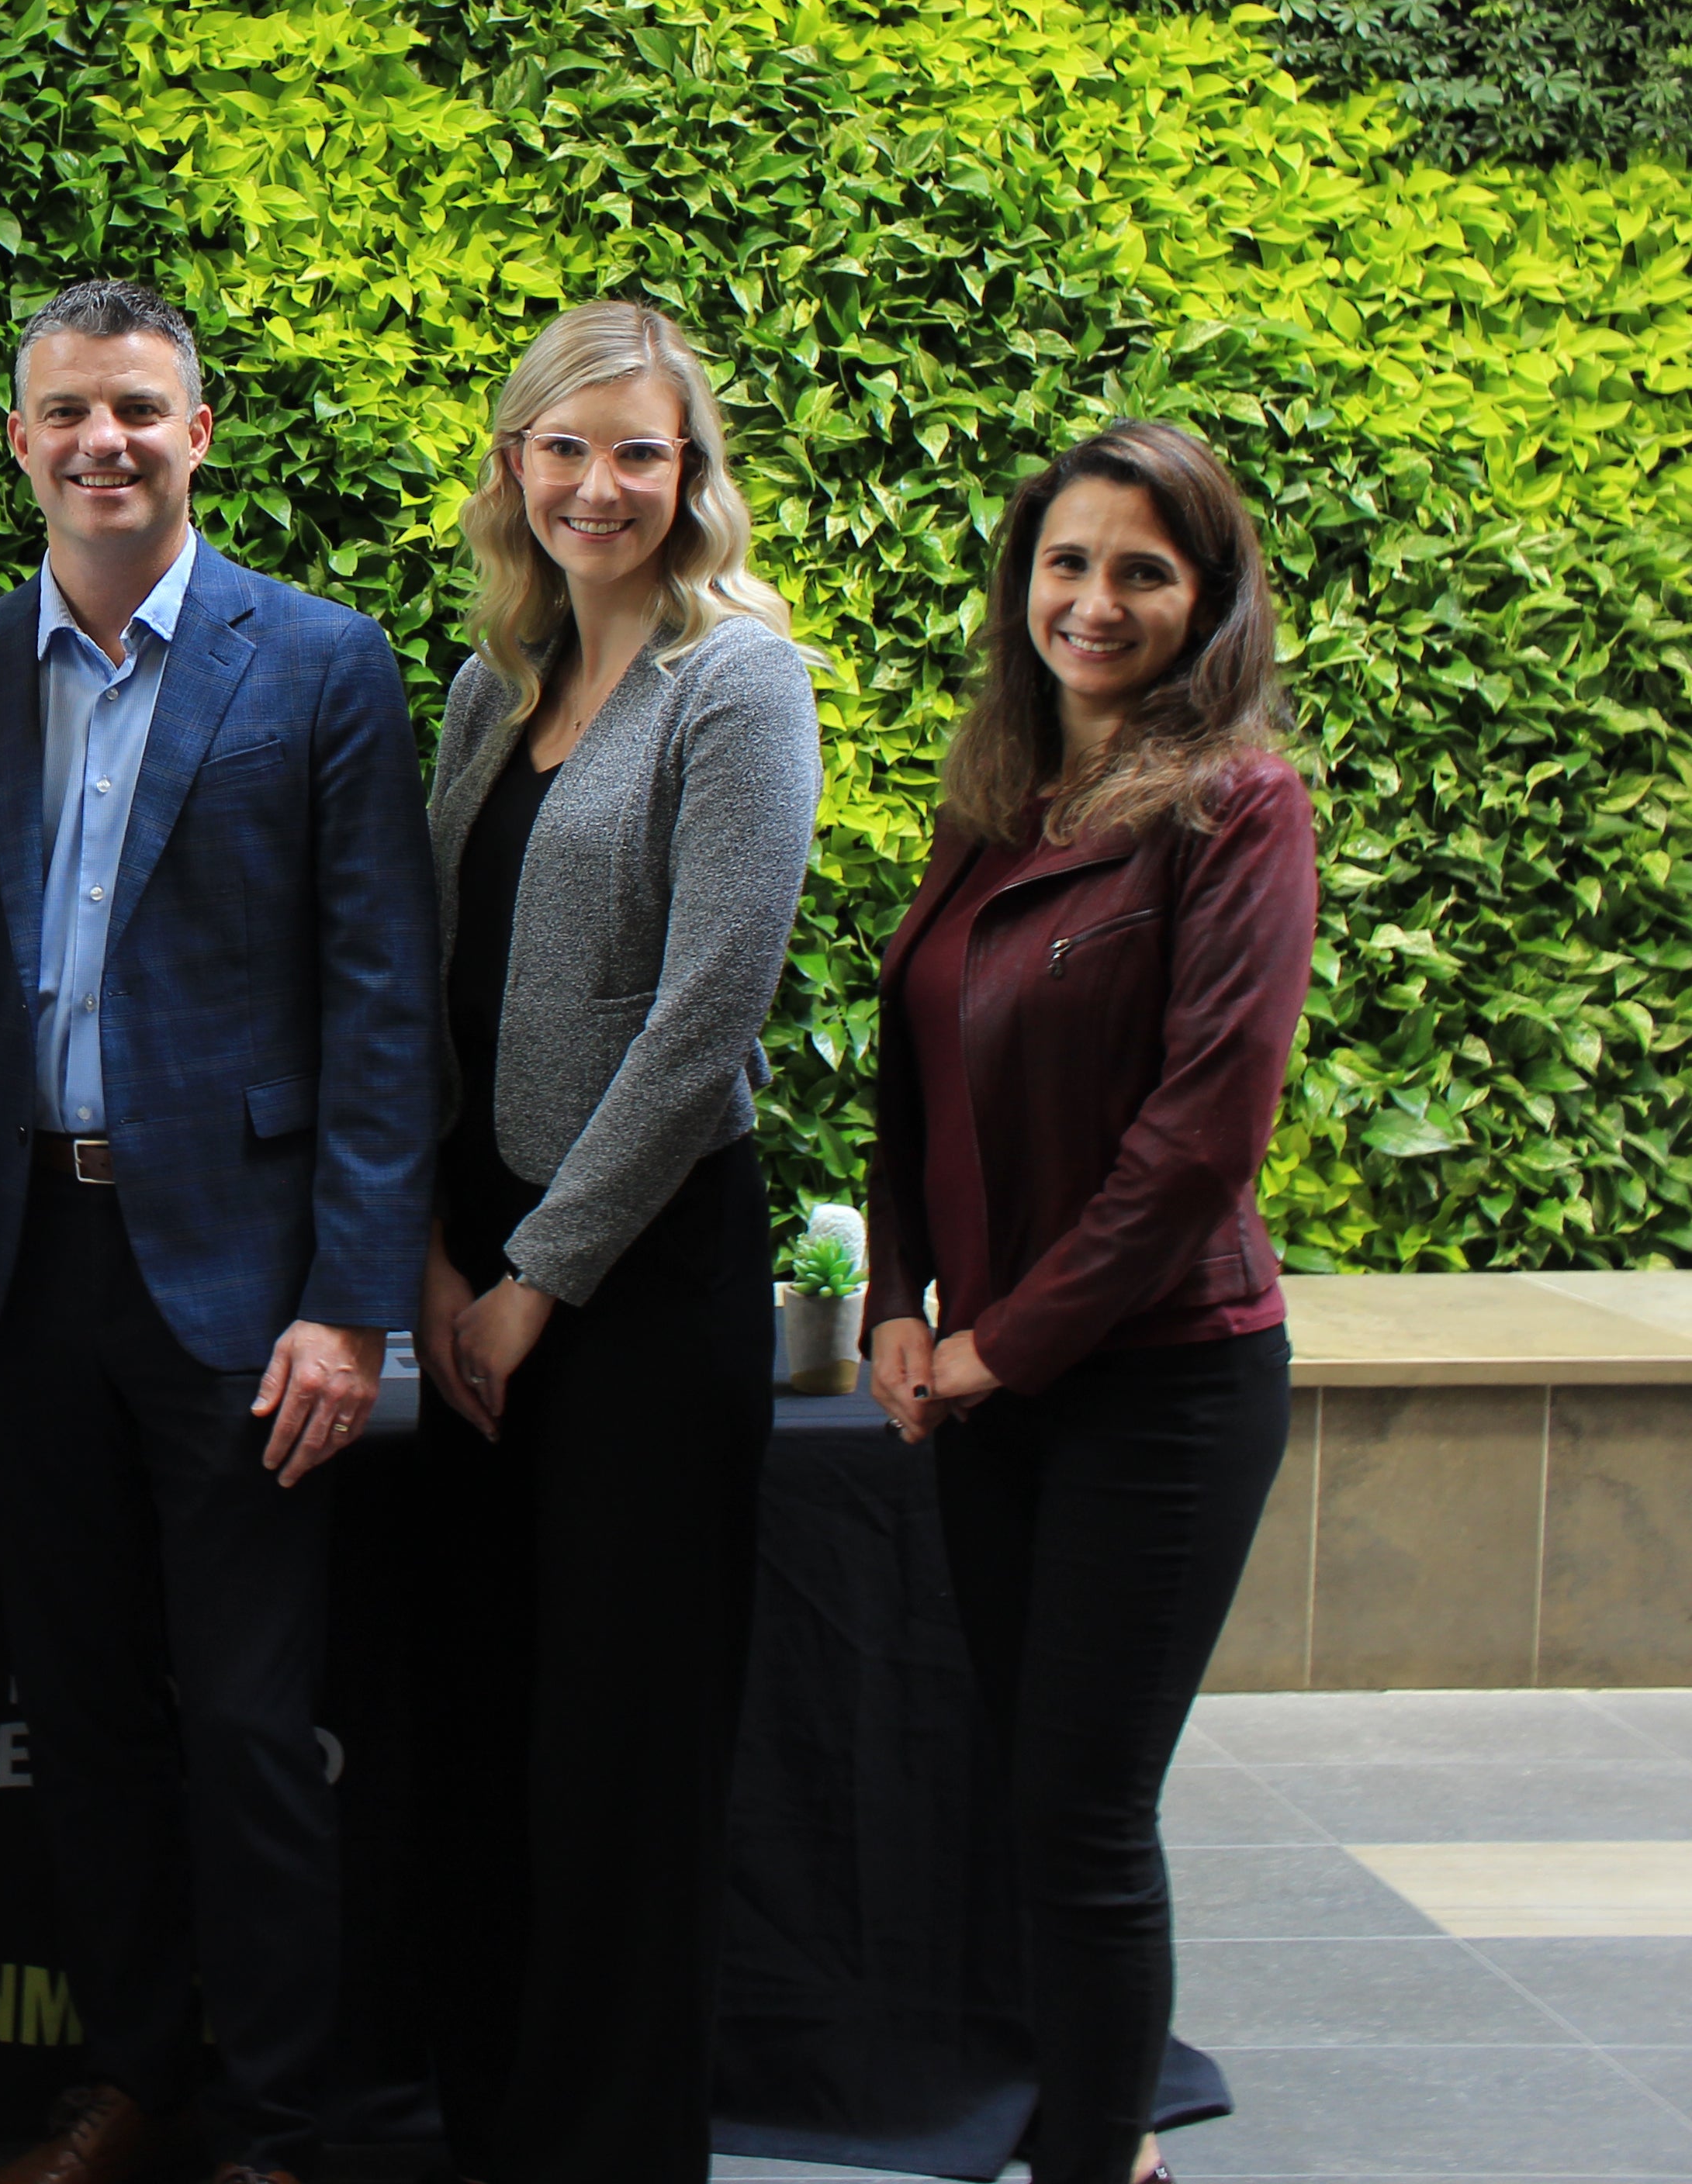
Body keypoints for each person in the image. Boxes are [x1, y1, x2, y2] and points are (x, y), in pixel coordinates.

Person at [0, 279, 436, 2184]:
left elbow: (381, 1004)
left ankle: (277, 2120)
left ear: (199, 434)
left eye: (138, 409)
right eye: (65, 413)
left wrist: (354, 1304)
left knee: (258, 1730)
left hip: (245, 1292)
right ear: (18, 443)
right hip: (23, 1277)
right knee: (86, 1715)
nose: (102, 442)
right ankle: (130, 2074)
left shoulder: (323, 665)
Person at [864, 423, 1315, 2184]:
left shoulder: (1238, 809)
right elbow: (914, 1073)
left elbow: (1202, 1137)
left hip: (1164, 1382)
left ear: (1206, 599)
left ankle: (1100, 2156)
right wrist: (902, 1299)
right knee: (1038, 1802)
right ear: (1022, 583)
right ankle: (1100, 2143)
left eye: (1143, 569)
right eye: (1067, 563)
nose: (1095, 601)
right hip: (993, 1382)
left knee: (1082, 1809)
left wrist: (999, 1339)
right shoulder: (999, 797)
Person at [405, 300, 822, 2184]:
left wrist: (538, 1284)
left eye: (637, 451)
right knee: (492, 1736)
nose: (598, 484)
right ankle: (498, 2129)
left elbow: (707, 1012)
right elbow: (427, 983)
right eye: (562, 448)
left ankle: (616, 2151)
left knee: (626, 1760)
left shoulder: (737, 683)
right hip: (479, 1272)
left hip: (637, 1285)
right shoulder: (496, 684)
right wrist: (435, 1259)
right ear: (515, 467)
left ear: (690, 473)